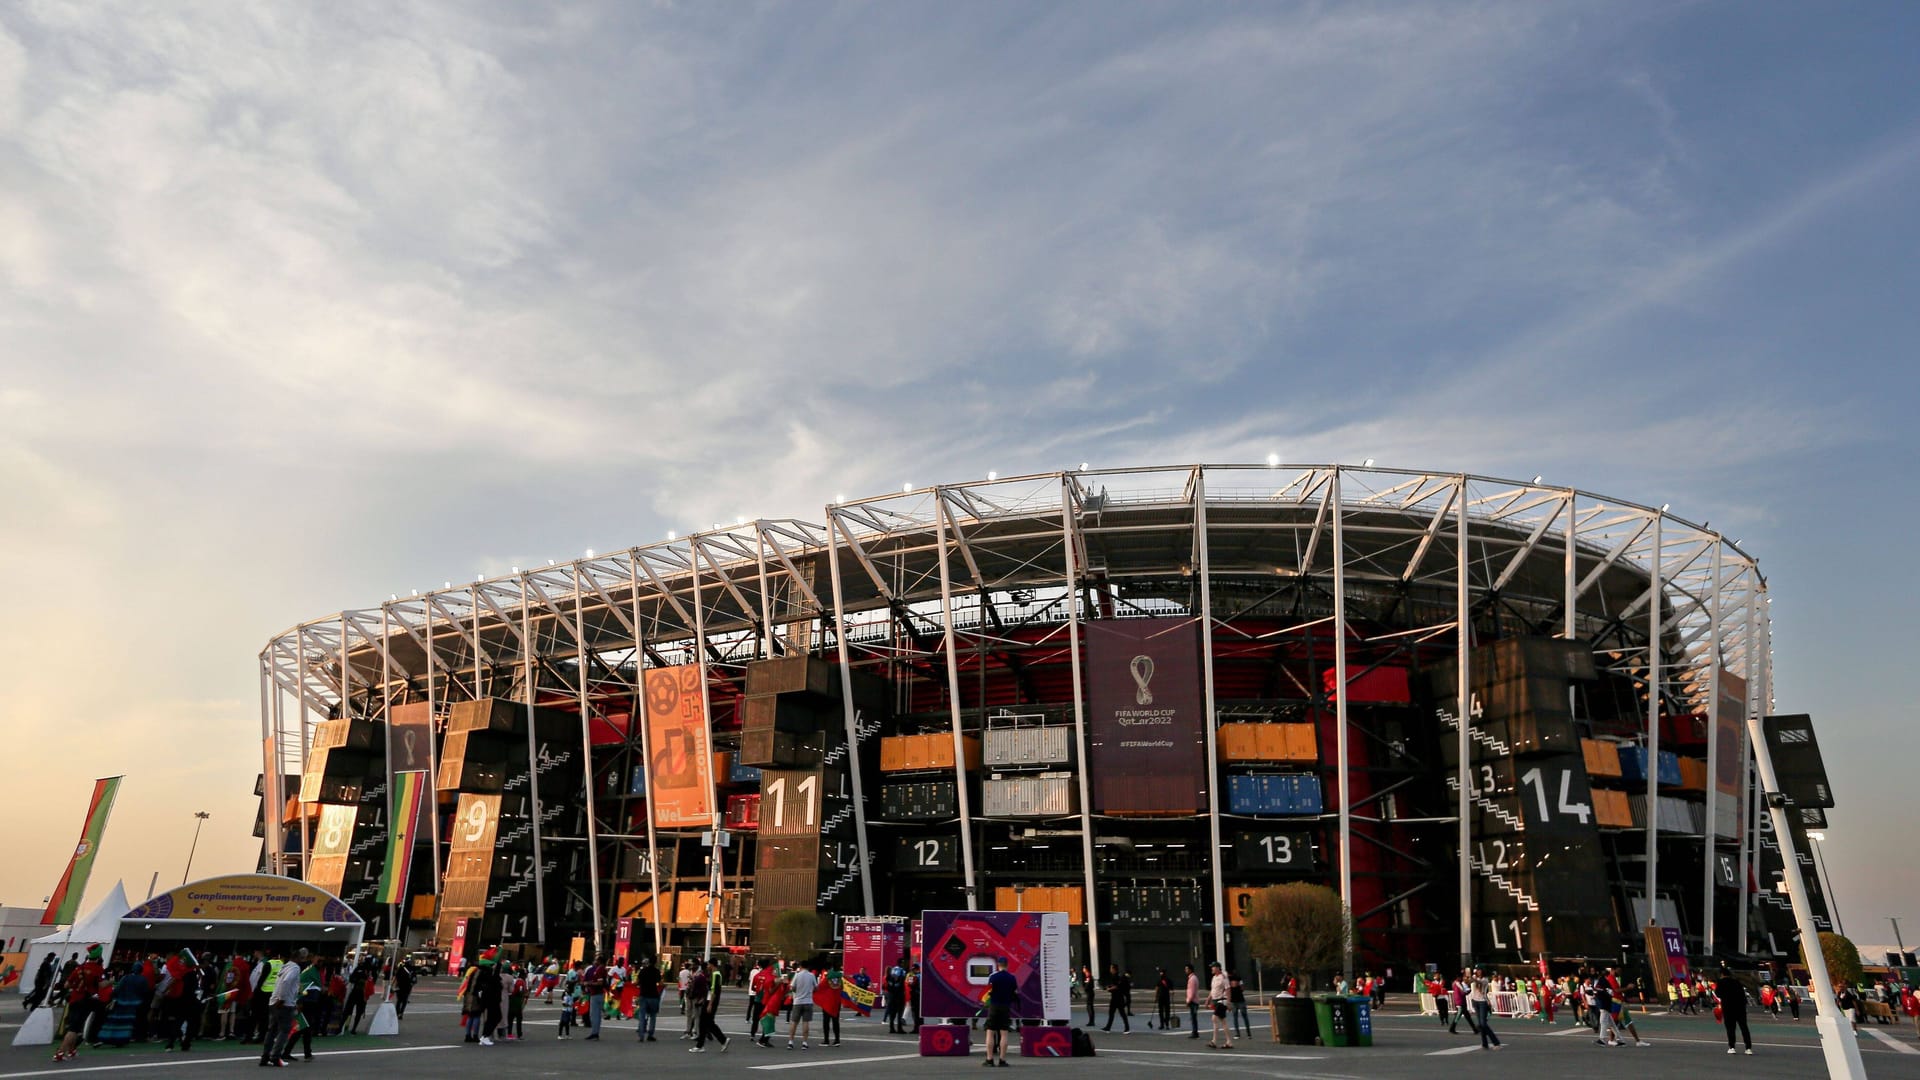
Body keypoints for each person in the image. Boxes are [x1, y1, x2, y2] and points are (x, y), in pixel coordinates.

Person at [259, 948, 304, 1068]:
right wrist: (282, 998)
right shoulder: (294, 968)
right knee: (284, 1030)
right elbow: (286, 981)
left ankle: (265, 1057)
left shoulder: (284, 966)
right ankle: (275, 1057)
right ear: (298, 958)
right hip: (284, 1003)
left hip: (273, 1001)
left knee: (272, 1030)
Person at [160, 949, 202, 1051]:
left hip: (180, 1000)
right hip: (191, 1000)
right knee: (191, 1023)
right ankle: (186, 1043)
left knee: (177, 1022)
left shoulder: (179, 973)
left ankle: (171, 1043)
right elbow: (196, 987)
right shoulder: (192, 974)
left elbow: (174, 983)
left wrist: (165, 991)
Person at [983, 956, 1019, 1067]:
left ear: (998, 965)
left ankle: (989, 1059)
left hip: (994, 1006)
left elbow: (988, 992)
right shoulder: (1012, 978)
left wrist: (985, 1002)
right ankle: (1002, 1059)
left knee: (990, 1032)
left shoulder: (993, 977)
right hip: (1005, 1006)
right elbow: (1015, 992)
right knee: (1004, 1033)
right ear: (1007, 965)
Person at [690, 959, 729, 1053]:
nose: (707, 966)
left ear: (712, 965)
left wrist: (710, 1004)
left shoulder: (715, 975)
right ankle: (703, 1044)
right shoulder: (717, 974)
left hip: (711, 1002)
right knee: (706, 1023)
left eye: (708, 965)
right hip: (710, 1001)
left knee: (706, 1022)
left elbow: (714, 991)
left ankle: (721, 1040)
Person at [1716, 964, 1753, 1055]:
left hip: (1728, 1008)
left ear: (1722, 974)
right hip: (1740, 1008)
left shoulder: (1721, 982)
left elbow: (1718, 994)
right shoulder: (1737, 982)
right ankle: (1748, 1048)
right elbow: (1743, 995)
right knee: (1744, 1027)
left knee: (1730, 1028)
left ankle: (1732, 1047)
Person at [787, 960, 818, 1049]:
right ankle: (804, 1042)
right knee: (806, 1022)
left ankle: (791, 1041)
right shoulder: (811, 975)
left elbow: (792, 987)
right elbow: (816, 987)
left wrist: (796, 992)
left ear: (800, 966)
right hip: (808, 1001)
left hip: (797, 1001)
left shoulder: (797, 975)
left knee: (794, 1022)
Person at [1469, 968, 1502, 1050]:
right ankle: (1484, 1043)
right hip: (1475, 1001)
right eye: (1477, 970)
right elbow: (1468, 982)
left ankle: (1496, 1042)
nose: (1479, 972)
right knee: (1481, 1024)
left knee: (1483, 1023)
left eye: (1480, 970)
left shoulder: (1485, 979)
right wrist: (1468, 977)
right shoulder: (1474, 977)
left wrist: (1473, 978)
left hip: (1482, 1001)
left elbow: (1479, 983)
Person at [756, 971, 790, 1046]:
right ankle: (763, 1040)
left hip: (775, 1004)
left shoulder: (781, 986)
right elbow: (771, 990)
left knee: (771, 1022)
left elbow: (784, 994)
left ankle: (764, 1040)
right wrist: (780, 982)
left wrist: (785, 985)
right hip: (772, 1004)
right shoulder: (774, 984)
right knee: (769, 1022)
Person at [635, 956, 663, 1041]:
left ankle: (641, 1034)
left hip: (643, 995)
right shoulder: (656, 971)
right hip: (653, 995)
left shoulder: (643, 971)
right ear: (655, 962)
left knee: (642, 1015)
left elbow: (637, 982)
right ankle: (650, 1034)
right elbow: (660, 982)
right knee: (653, 1015)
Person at [1206, 961, 1233, 1050]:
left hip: (1222, 1000)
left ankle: (1214, 1041)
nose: (1211, 969)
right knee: (1223, 1021)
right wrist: (1208, 999)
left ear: (1218, 968)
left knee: (1214, 1018)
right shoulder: (1214, 978)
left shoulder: (1223, 977)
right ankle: (1229, 1041)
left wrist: (1228, 1002)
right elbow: (1213, 990)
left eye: (1213, 967)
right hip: (1215, 1000)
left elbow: (1228, 989)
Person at [582, 954, 608, 1040]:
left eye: (596, 960)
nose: (595, 961)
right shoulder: (601, 969)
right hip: (599, 993)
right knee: (596, 1015)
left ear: (599, 961)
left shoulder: (600, 970)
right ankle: (595, 1032)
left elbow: (600, 983)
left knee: (594, 1015)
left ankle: (595, 1032)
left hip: (596, 994)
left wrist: (589, 983)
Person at [819, 963, 844, 1047]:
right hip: (837, 1002)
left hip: (827, 1002)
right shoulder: (840, 978)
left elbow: (819, 987)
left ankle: (826, 1040)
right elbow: (842, 988)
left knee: (826, 1021)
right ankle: (837, 1040)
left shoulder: (827, 978)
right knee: (835, 1021)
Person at [1102, 964, 1130, 1033]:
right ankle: (1108, 1027)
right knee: (1113, 1013)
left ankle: (1127, 1028)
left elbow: (1117, 986)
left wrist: (1109, 989)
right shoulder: (1117, 976)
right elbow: (1114, 985)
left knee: (1121, 1013)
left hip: (1117, 998)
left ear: (1114, 969)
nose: (1110, 970)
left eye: (1111, 968)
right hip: (1116, 997)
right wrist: (1108, 987)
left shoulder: (1117, 976)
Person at [884, 963, 909, 1033]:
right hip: (899, 998)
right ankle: (899, 1028)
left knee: (892, 1013)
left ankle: (891, 1028)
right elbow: (903, 986)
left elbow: (886, 987)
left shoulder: (888, 978)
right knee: (899, 1013)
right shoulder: (901, 979)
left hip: (891, 998)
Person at [1228, 969, 1252, 1039]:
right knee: (1244, 1016)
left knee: (1235, 1017)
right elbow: (1242, 988)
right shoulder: (1239, 978)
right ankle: (1248, 1033)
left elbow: (1227, 989)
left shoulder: (1228, 979)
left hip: (1233, 1000)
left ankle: (1237, 1034)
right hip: (1240, 999)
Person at [1184, 964, 1202, 1039]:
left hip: (1193, 1001)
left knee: (1193, 1017)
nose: (1185, 971)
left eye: (1187, 969)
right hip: (1194, 1000)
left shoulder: (1192, 979)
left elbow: (1192, 991)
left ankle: (1195, 1032)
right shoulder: (1194, 978)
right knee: (1193, 1017)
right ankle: (1195, 1031)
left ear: (1190, 970)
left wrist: (1188, 1000)